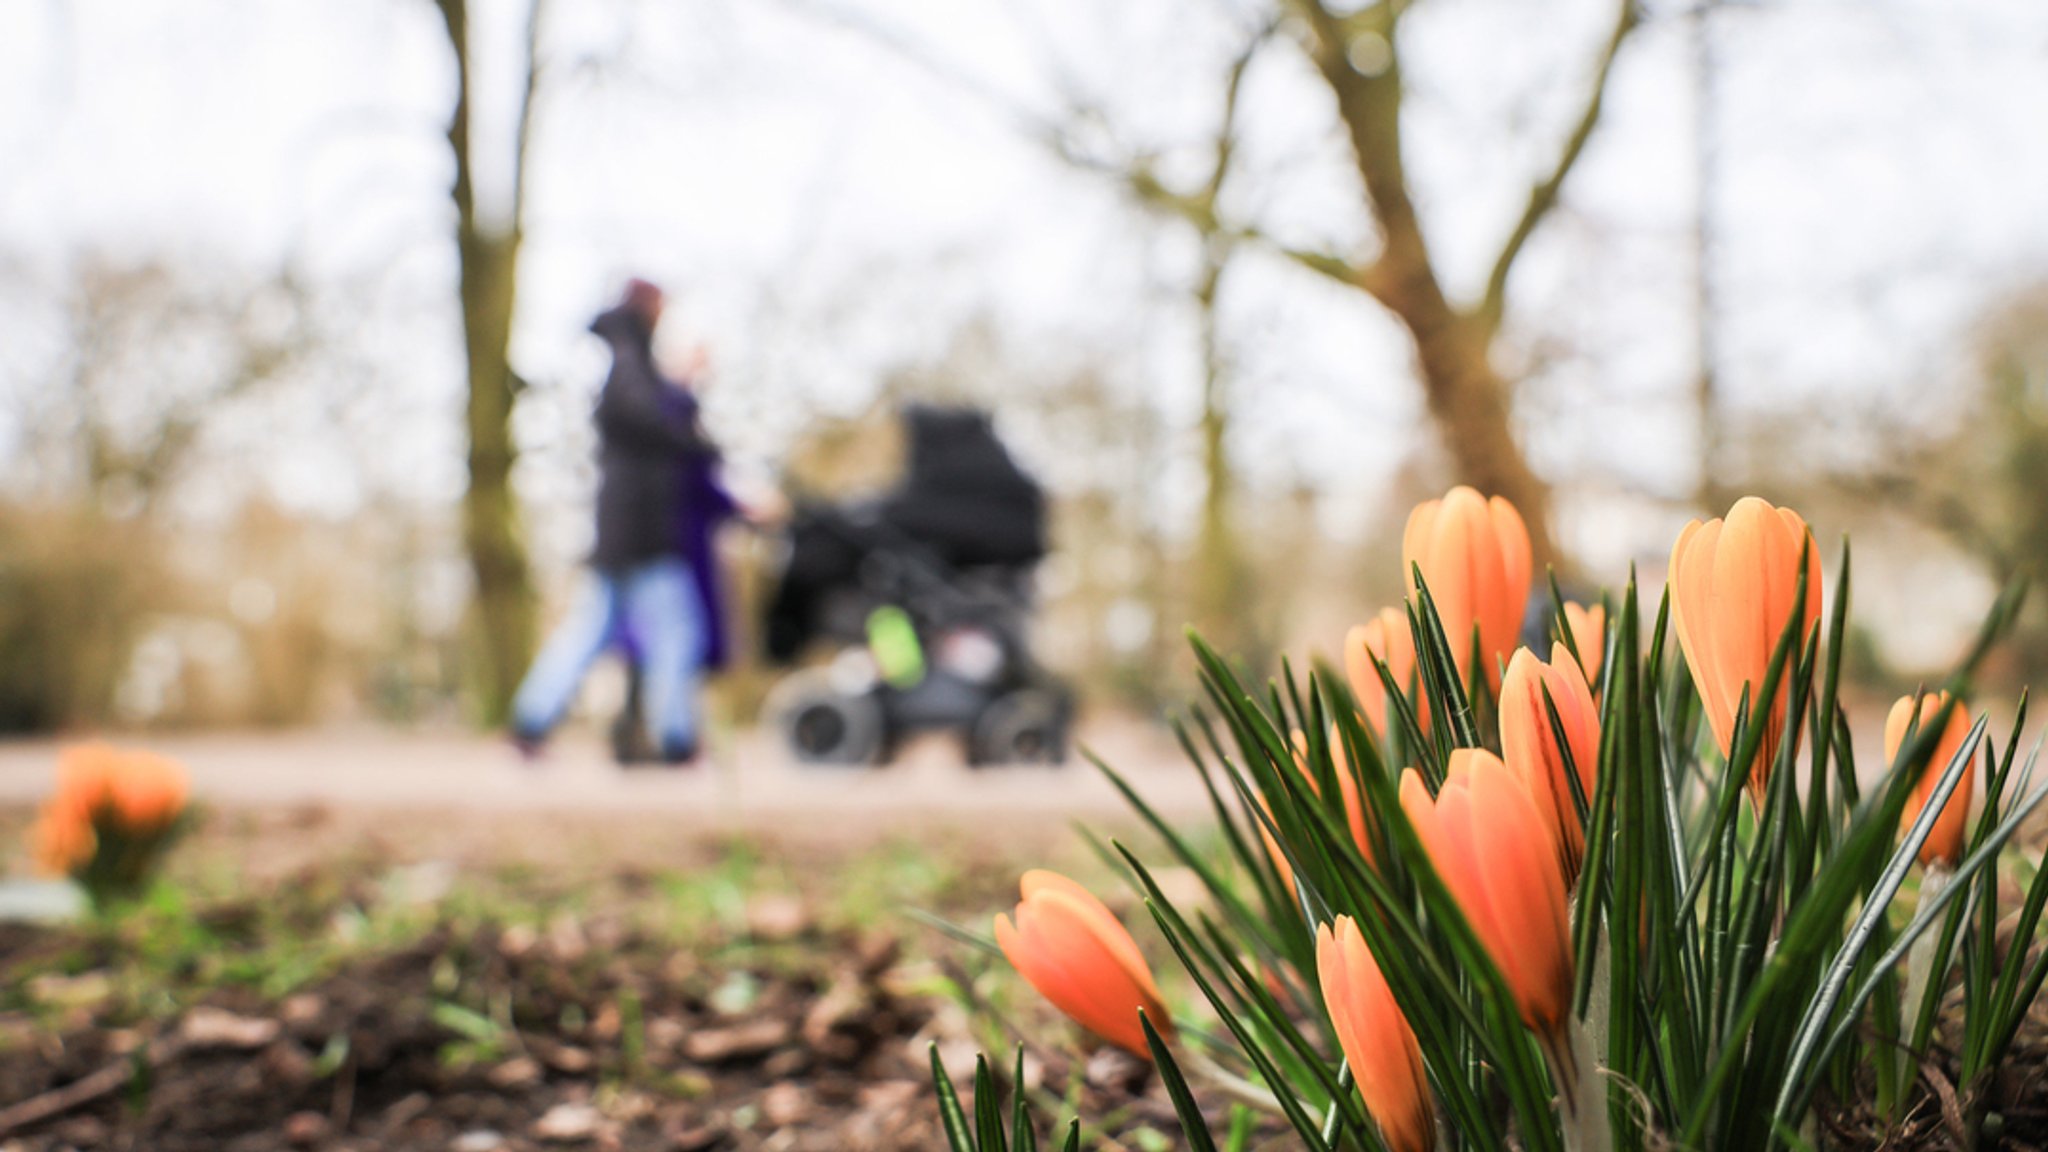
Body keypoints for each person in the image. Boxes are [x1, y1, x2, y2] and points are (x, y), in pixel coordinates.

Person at [510, 279, 716, 765]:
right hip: (643, 530)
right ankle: (676, 737)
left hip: (622, 528)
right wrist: (692, 430)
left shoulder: (626, 360)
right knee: (675, 632)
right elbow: (650, 422)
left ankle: (532, 721)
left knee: (591, 630)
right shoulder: (630, 361)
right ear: (648, 308)